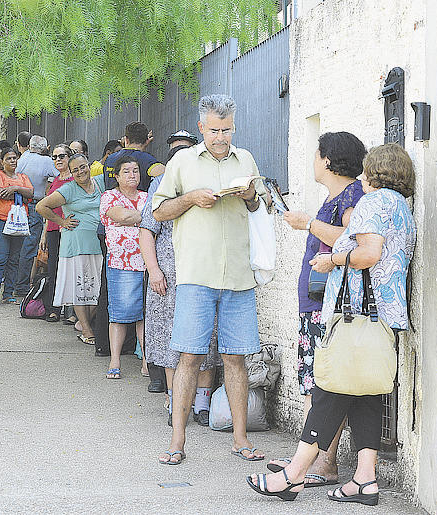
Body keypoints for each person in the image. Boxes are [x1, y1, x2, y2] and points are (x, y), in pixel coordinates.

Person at [246, 143, 417, 505]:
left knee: (329, 390)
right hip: (384, 316)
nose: (363, 175)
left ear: (376, 172)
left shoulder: (373, 202)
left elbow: (368, 254)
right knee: (367, 393)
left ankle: (293, 475)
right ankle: (365, 479)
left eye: (367, 169)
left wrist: (333, 261)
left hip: (356, 314)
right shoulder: (402, 207)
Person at [152, 94, 266, 465]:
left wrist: (249, 195)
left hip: (238, 276)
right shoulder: (182, 161)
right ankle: (177, 440)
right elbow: (159, 211)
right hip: (196, 276)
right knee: (189, 356)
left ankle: (240, 439)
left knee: (236, 359)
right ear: (201, 127)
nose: (221, 137)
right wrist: (191, 198)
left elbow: (258, 207)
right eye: (215, 130)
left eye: (227, 129)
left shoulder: (245, 159)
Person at [265, 132, 367, 487]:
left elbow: (354, 237)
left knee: (320, 381)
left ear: (328, 160)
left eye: (316, 154)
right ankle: (314, 460)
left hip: (329, 304)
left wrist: (308, 222)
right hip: (315, 302)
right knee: (314, 381)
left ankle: (319, 462)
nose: (313, 161)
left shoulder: (352, 195)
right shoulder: (337, 196)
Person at [140, 134, 220, 426]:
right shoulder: (159, 187)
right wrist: (154, 270)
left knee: (205, 341)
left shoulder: (208, 184)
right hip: (169, 279)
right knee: (169, 343)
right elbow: (147, 231)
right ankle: (175, 402)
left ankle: (202, 402)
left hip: (202, 274)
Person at [36, 153, 104, 344]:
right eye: (75, 170)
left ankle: (83, 322)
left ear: (89, 165)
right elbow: (41, 207)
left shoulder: (100, 182)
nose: (81, 172)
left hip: (98, 245)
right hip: (76, 246)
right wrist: (61, 222)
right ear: (71, 173)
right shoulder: (69, 189)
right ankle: (87, 330)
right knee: (80, 287)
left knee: (100, 288)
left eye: (83, 167)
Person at [99, 156, 148, 379]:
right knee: (119, 313)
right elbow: (120, 215)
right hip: (121, 263)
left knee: (145, 315)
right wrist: (145, 217)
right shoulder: (109, 196)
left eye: (135, 171)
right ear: (116, 176)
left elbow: (134, 218)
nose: (132, 175)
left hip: (147, 262)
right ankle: (115, 360)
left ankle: (148, 360)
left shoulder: (147, 197)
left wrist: (134, 219)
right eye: (126, 171)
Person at [0, 147, 34, 305]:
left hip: (19, 223)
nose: (12, 161)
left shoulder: (23, 177)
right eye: (8, 159)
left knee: (14, 259)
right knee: (0, 258)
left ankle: (8, 293)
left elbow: (31, 194)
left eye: (14, 158)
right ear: (2, 162)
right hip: (2, 221)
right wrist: (21, 193)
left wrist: (14, 188)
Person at [14, 135, 59, 297]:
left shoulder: (22, 158)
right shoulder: (46, 161)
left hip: (18, 204)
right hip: (35, 205)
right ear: (46, 149)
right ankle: (22, 285)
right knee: (29, 246)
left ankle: (14, 283)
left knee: (17, 245)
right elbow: (60, 175)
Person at [39, 144, 74, 322]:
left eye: (62, 156)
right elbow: (46, 209)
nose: (58, 160)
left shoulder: (76, 180)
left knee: (70, 270)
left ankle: (72, 313)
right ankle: (53, 308)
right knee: (53, 270)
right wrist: (44, 234)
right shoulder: (54, 182)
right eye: (54, 157)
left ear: (70, 157)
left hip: (71, 230)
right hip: (53, 229)